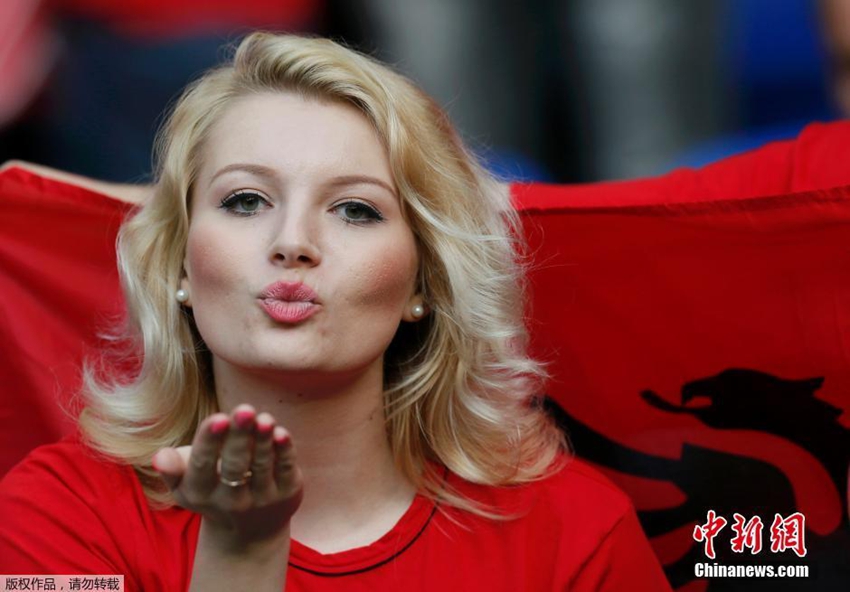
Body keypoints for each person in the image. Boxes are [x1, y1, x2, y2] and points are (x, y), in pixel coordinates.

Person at [0, 32, 671, 590]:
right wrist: (237, 560)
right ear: (179, 264)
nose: (292, 243)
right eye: (245, 201)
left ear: (424, 283)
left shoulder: (571, 530)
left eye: (355, 209)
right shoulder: (55, 516)